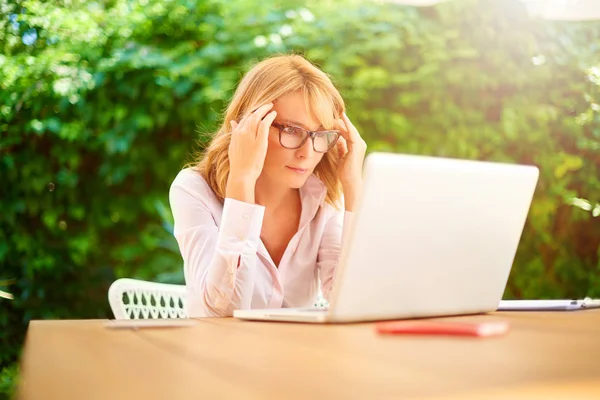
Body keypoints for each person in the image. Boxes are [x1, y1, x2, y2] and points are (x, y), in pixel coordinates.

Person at [169, 54, 367, 317]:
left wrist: (353, 185)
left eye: (320, 134)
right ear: (251, 124)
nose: (307, 153)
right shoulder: (194, 190)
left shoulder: (323, 197)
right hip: (217, 353)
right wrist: (241, 181)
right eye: (292, 130)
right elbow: (224, 310)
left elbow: (354, 300)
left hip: (296, 354)